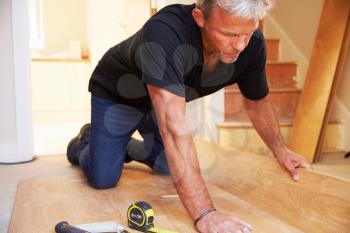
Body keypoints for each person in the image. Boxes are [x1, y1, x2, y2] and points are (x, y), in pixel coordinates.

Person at [67, 0, 311, 232]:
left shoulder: (252, 45)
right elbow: (173, 129)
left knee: (166, 166)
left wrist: (281, 150)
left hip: (158, 104)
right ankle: (87, 140)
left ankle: (124, 147)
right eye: (230, 35)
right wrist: (205, 214)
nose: (240, 46)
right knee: (104, 177)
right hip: (119, 95)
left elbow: (257, 103)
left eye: (247, 34)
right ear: (199, 18)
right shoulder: (166, 31)